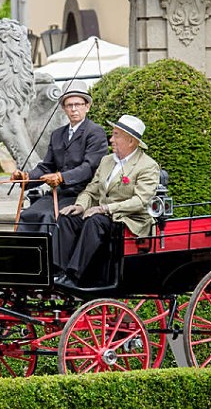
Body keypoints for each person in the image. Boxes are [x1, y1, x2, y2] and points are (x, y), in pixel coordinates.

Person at [54, 115, 160, 288]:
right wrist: (80, 205)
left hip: (128, 220)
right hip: (102, 216)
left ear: (131, 141)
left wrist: (105, 208)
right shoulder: (107, 161)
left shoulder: (147, 166)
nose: (111, 139)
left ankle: (75, 276)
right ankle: (59, 271)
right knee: (67, 218)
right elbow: (92, 190)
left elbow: (140, 201)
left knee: (95, 221)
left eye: (116, 135)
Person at [10, 79, 108, 231]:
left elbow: (89, 167)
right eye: (69, 105)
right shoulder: (57, 134)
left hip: (84, 194)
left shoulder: (95, 132)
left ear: (87, 107)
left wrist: (61, 177)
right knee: (28, 215)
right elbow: (46, 166)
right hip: (58, 193)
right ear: (63, 108)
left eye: (78, 105)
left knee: (48, 218)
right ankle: (26, 255)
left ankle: (51, 255)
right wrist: (25, 178)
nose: (74, 109)